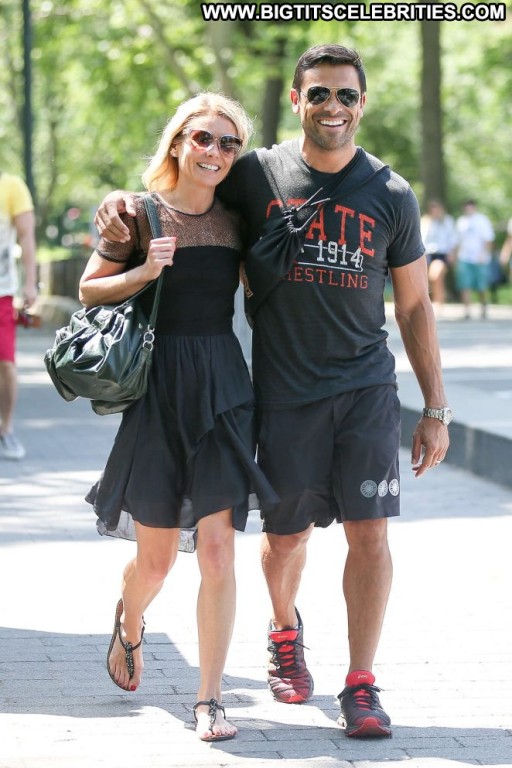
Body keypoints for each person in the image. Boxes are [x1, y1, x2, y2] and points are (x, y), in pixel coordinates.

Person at [93, 45, 451, 739]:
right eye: (318, 94)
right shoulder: (255, 173)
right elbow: (185, 189)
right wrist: (120, 204)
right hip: (282, 393)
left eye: (345, 95)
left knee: (371, 533)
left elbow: (413, 306)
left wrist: (435, 407)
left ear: (362, 104)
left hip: (366, 387)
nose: (333, 107)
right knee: (284, 540)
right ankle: (284, 630)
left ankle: (361, 683)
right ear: (296, 101)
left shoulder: (392, 192)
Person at [79, 92, 277, 742]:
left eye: (228, 142)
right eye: (203, 138)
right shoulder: (139, 213)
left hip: (224, 389)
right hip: (159, 392)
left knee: (217, 551)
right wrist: (144, 269)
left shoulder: (239, 221)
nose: (215, 151)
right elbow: (88, 289)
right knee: (158, 562)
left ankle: (209, 699)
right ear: (178, 143)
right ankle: (130, 619)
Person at [0, 171, 38, 460]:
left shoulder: (10, 186)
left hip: (2, 292)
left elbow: (26, 236)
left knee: (5, 361)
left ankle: (6, 429)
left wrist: (30, 283)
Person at [455, 199, 495, 319]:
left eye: (471, 207)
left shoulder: (482, 220)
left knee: (481, 285)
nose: (469, 210)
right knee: (464, 284)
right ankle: (467, 310)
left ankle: (483, 306)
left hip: (480, 258)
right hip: (464, 257)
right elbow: (458, 241)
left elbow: (488, 239)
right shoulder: (461, 222)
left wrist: (484, 254)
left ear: (474, 208)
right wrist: (456, 256)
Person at [421, 199, 458, 315]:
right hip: (426, 254)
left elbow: (453, 239)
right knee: (425, 280)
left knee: (436, 276)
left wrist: (452, 253)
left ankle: (438, 303)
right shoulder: (425, 221)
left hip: (442, 254)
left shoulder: (447, 221)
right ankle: (430, 303)